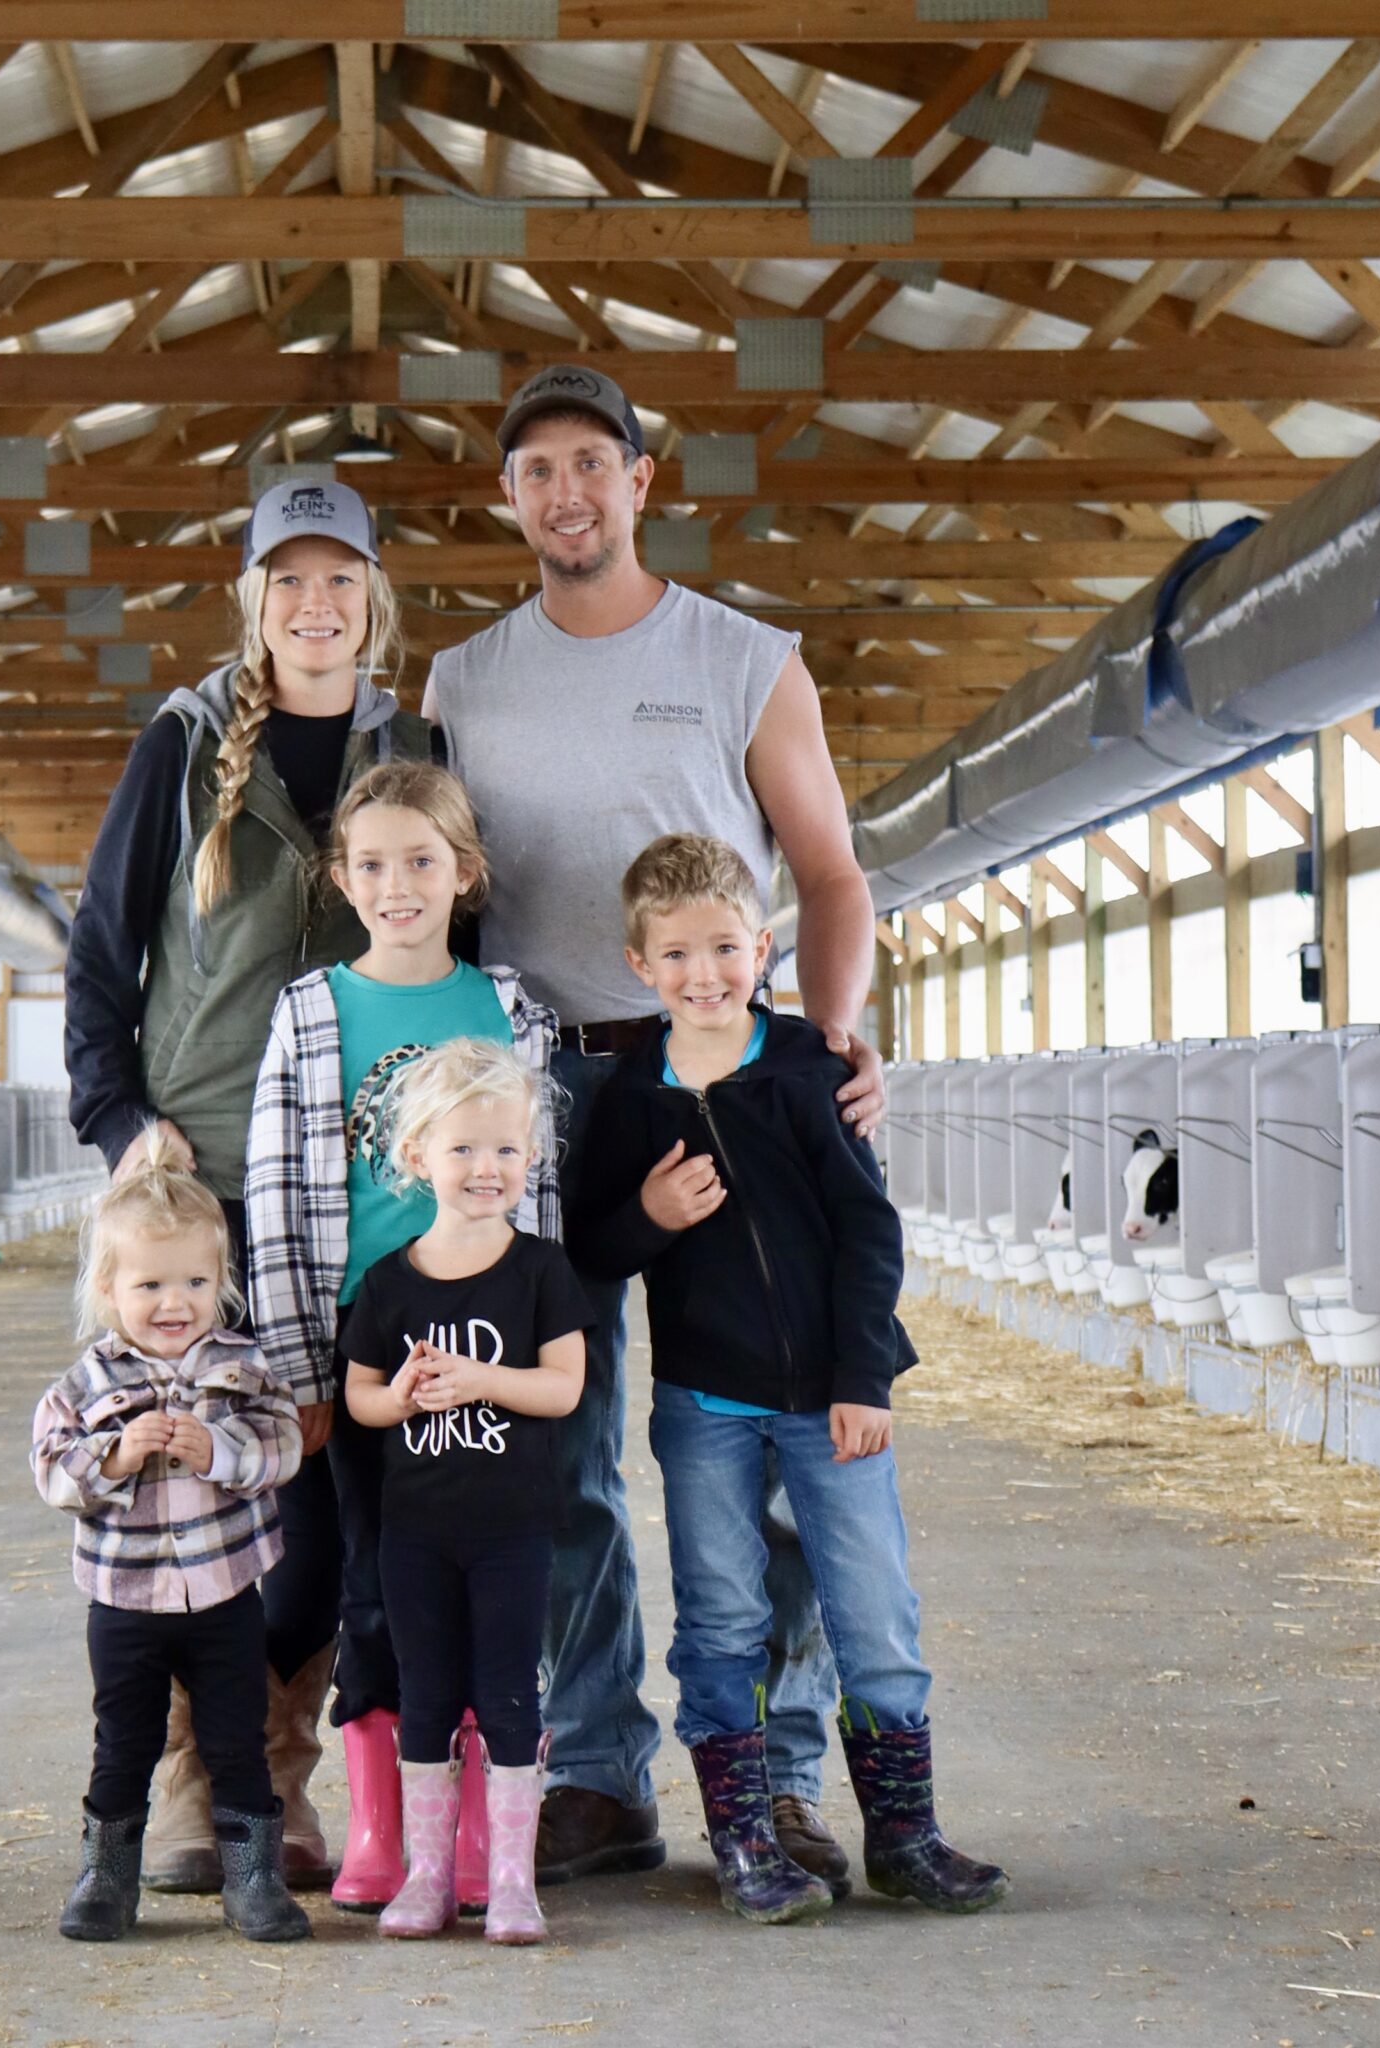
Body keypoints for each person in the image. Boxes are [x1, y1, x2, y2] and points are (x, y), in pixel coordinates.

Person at [424, 364, 887, 1887]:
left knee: (770, 1432)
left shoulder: (746, 659)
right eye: (535, 469)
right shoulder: (463, 681)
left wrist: (829, 1041)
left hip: (715, 1077)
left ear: (641, 479)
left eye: (590, 463)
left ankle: (784, 1775)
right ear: (509, 499)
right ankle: (600, 1772)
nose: (565, 492)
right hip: (536, 1092)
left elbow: (830, 874)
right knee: (555, 1442)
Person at [62, 477, 433, 1893]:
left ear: (374, 598)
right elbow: (103, 946)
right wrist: (118, 1118)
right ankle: (184, 1780)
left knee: (325, 1503)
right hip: (205, 1170)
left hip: (361, 1178)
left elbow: (458, 931)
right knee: (182, 1485)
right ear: (253, 599)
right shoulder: (184, 740)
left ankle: (272, 1771)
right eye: (289, 579)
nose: (314, 604)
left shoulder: (416, 746)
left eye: (340, 578)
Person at [571, 836, 1008, 1924]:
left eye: (726, 947)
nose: (704, 974)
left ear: (761, 948)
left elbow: (869, 1230)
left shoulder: (812, 1070)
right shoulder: (629, 1099)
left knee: (874, 1610)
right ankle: (745, 1844)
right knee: (720, 1614)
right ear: (640, 965)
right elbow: (589, 1245)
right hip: (703, 1406)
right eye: (678, 955)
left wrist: (865, 1376)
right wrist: (649, 1215)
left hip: (831, 1399)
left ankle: (904, 1836)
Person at [243, 760, 561, 1913]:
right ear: (340, 878)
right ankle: (384, 1829)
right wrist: (301, 1366)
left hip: (486, 1347)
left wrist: (538, 1345)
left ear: (463, 872)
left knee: (494, 1583)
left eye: (421, 860)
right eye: (372, 863)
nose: (397, 884)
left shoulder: (510, 1008)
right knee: (375, 1583)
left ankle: (479, 1836)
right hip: (366, 1347)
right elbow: (275, 1190)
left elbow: (543, 1189)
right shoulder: (310, 1008)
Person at [30, 1129, 311, 1945]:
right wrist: (116, 1455)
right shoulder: (85, 1384)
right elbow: (53, 1473)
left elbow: (283, 1448)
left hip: (225, 1595)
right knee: (124, 1738)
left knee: (238, 1738)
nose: (173, 1303)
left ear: (221, 1283)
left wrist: (219, 1450)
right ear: (109, 1288)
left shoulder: (245, 1370)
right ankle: (106, 1877)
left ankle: (253, 1879)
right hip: (125, 1598)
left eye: (195, 1282)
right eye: (149, 1284)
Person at [341, 1039, 590, 1943]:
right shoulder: (389, 1283)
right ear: (417, 1156)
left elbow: (563, 1388)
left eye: (507, 1150)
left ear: (533, 1156)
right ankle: (429, 1877)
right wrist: (401, 1397)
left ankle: (513, 1882)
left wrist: (482, 1380)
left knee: (509, 1692)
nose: (488, 1168)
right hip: (415, 1534)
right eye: (464, 1148)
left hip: (511, 1532)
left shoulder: (542, 1271)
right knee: (427, 1694)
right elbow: (361, 1398)